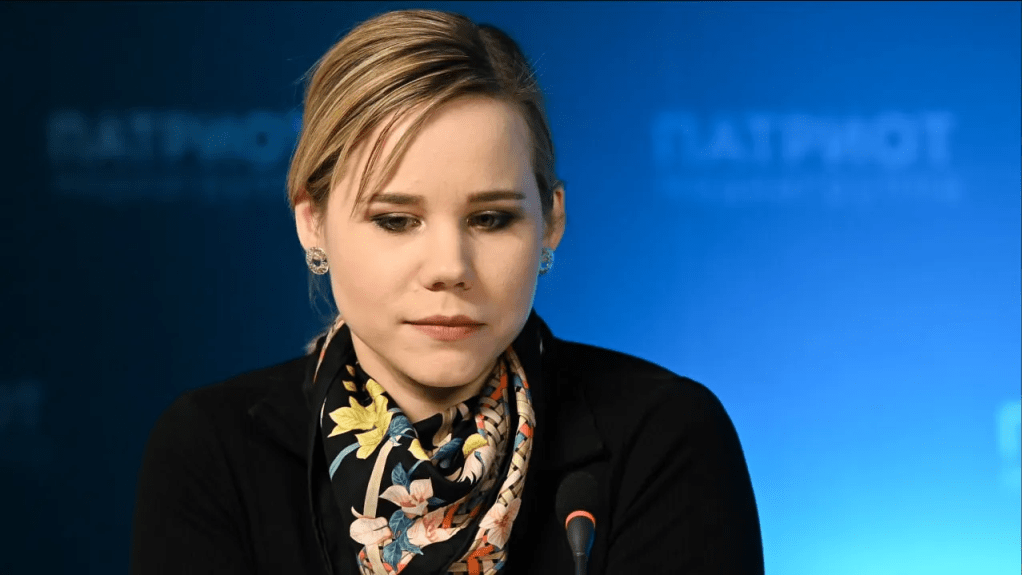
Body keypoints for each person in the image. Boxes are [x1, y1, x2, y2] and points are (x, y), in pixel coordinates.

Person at [130, 9, 763, 575]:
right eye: (396, 220)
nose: (449, 267)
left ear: (552, 221)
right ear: (312, 222)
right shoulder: (213, 450)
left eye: (490, 219)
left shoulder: (664, 437)